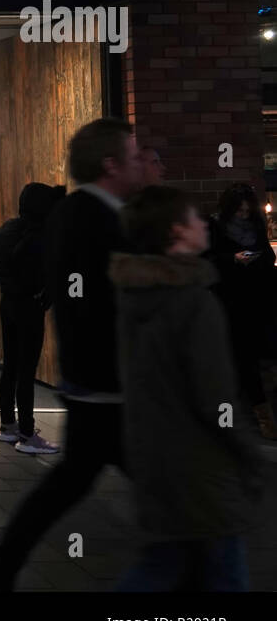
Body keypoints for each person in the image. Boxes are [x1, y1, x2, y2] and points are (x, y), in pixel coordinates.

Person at [0, 118, 143, 591]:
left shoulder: (63, 218)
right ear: (111, 164)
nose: (141, 166)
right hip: (103, 383)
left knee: (69, 482)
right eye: (134, 158)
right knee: (166, 496)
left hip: (91, 379)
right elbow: (102, 301)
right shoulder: (91, 218)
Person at [112, 185, 261, 591]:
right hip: (203, 471)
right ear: (176, 232)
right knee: (222, 575)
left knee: (163, 567)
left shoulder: (136, 296)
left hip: (158, 462)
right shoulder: (195, 303)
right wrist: (251, 454)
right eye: (196, 217)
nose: (205, 224)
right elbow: (217, 400)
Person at [0, 183, 65, 455]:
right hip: (29, 306)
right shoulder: (40, 234)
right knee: (26, 371)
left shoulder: (10, 228)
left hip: (9, 303)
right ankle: (27, 435)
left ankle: (8, 426)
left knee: (11, 367)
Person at [206, 183, 277, 439]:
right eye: (240, 211)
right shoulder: (215, 227)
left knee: (261, 355)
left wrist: (259, 260)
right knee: (245, 358)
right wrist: (233, 259)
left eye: (247, 211)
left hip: (260, 299)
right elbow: (209, 261)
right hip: (233, 302)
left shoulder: (257, 227)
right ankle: (263, 417)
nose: (244, 215)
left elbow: (268, 256)